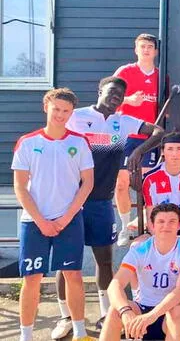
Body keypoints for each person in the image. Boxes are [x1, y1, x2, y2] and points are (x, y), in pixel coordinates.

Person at [54, 76, 164, 335]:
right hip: (68, 201)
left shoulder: (123, 121)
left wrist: (137, 152)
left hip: (102, 201)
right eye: (112, 91)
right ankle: (65, 317)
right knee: (66, 263)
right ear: (100, 90)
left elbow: (158, 132)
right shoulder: (76, 116)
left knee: (105, 261)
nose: (116, 97)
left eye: (120, 94)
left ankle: (106, 313)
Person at [13, 88, 94, 341]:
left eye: (66, 111)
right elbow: (19, 186)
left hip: (68, 221)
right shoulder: (28, 142)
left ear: (71, 113)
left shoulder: (79, 142)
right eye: (56, 109)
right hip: (34, 222)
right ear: (46, 106)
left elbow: (87, 183)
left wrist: (65, 218)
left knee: (74, 275)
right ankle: (26, 336)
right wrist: (41, 221)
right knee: (32, 279)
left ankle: (80, 333)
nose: (60, 114)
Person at [99, 203, 180, 341]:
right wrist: (125, 312)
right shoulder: (141, 249)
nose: (166, 226)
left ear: (179, 225)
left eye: (172, 221)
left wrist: (153, 315)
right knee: (115, 311)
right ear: (152, 225)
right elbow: (115, 285)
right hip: (142, 308)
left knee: (177, 312)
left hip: (170, 312)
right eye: (161, 222)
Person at [113, 33, 160, 247]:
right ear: (136, 49)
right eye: (142, 46)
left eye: (150, 46)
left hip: (149, 137)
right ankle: (124, 227)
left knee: (147, 185)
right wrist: (128, 99)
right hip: (126, 135)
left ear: (155, 51)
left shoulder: (161, 75)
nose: (146, 50)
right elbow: (106, 96)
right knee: (121, 183)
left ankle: (140, 225)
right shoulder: (125, 72)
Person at [141, 132, 180, 242]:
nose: (175, 154)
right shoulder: (150, 178)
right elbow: (150, 215)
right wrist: (159, 238)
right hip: (161, 230)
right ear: (162, 152)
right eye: (170, 149)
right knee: (136, 245)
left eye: (179, 148)